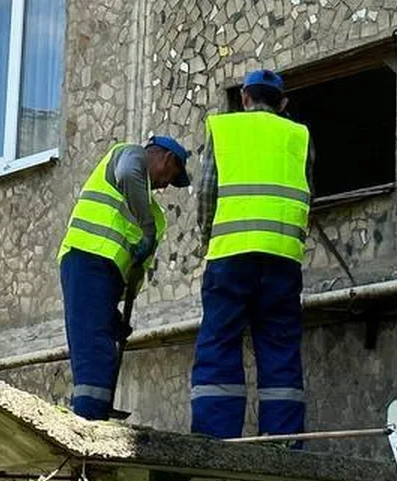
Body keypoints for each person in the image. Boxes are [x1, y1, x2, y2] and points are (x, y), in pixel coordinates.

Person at [190, 69, 314, 440]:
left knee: (220, 340)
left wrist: (206, 243)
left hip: (230, 254)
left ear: (244, 98)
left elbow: (207, 194)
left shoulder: (225, 130)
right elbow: (308, 195)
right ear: (284, 104)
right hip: (282, 258)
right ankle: (282, 442)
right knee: (280, 347)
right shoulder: (299, 136)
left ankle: (216, 438)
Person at [58, 135, 192, 419]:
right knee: (93, 347)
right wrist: (147, 229)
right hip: (87, 256)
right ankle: (89, 422)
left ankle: (97, 412)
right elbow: (130, 172)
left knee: (101, 345)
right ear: (167, 159)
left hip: (103, 274)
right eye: (171, 176)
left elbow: (135, 264)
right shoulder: (129, 155)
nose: (166, 185)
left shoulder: (150, 207)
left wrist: (115, 313)